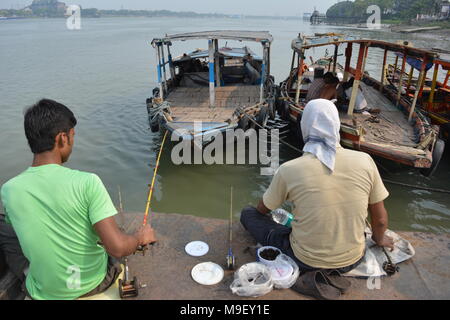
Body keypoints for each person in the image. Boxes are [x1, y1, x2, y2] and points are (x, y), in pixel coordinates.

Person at [0, 99, 157, 300]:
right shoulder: (87, 182)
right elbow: (117, 247)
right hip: (91, 285)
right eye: (72, 136)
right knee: (115, 240)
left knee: (7, 231)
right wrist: (140, 238)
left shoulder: (9, 190)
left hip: (42, 292)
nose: (73, 143)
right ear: (62, 138)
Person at [240, 99, 393, 276]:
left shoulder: (289, 169)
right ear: (336, 125)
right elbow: (380, 221)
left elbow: (262, 209)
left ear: (305, 127)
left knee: (248, 214)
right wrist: (380, 238)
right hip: (352, 259)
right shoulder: (365, 160)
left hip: (304, 261)